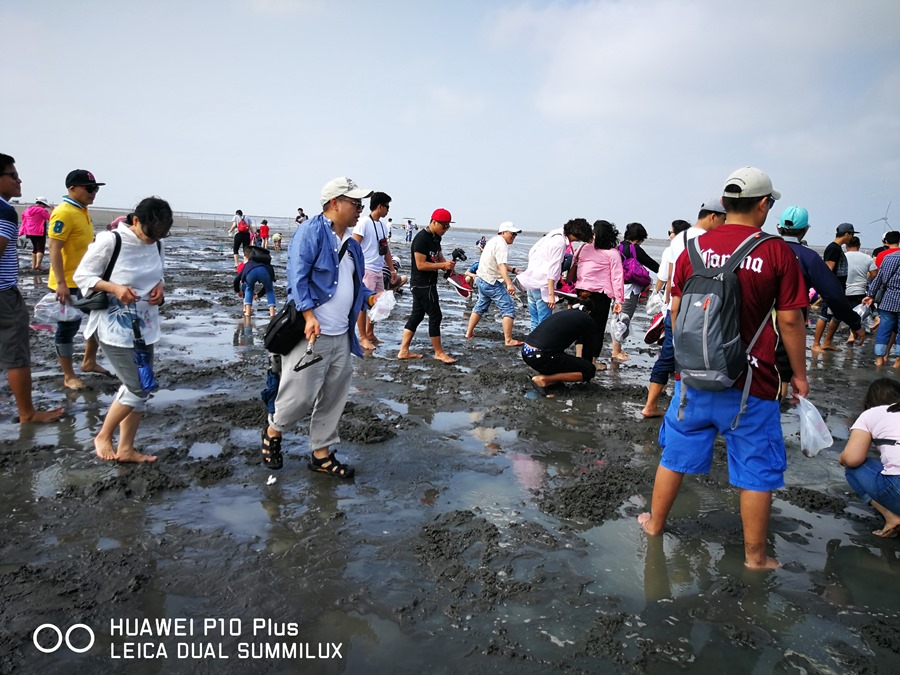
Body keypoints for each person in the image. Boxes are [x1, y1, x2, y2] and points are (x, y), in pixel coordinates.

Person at [638, 167, 809, 570]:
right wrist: (799, 374)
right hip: (750, 383)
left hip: (692, 379)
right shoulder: (775, 251)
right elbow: (789, 321)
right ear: (764, 204)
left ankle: (655, 525)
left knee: (674, 455)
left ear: (726, 204)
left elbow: (677, 312)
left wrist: (685, 363)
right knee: (756, 470)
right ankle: (755, 557)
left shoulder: (690, 250)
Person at [261, 177, 377, 477]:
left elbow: (353, 286)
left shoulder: (352, 246)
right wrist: (310, 315)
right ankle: (274, 432)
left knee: (334, 397)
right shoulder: (310, 232)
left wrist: (370, 298)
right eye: (355, 203)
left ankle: (321, 454)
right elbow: (296, 278)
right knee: (299, 396)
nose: (359, 209)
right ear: (335, 203)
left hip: (341, 334)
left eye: (360, 204)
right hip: (312, 333)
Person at [74, 196, 171, 462]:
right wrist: (115, 288)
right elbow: (82, 276)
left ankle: (126, 448)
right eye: (149, 234)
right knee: (137, 386)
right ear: (136, 220)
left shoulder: (157, 244)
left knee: (142, 387)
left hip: (145, 327)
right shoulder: (111, 241)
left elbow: (157, 276)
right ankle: (103, 435)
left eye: (159, 235)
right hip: (113, 327)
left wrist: (160, 290)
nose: (151, 240)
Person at [640, 202, 727, 418]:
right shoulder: (710, 241)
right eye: (724, 219)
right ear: (714, 216)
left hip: (676, 306)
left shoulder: (679, 238)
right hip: (699, 310)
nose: (724, 224)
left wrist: (669, 304)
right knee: (700, 358)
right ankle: (690, 406)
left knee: (669, 355)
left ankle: (651, 404)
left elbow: (671, 275)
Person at [0, 154, 63, 423]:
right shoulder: (3, 210)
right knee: (16, 355)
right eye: (13, 175)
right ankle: (27, 413)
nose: (19, 179)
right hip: (3, 293)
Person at [774, 206, 865, 391]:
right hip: (789, 324)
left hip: (752, 324)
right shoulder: (809, 257)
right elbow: (834, 294)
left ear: (778, 228)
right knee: (781, 378)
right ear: (806, 229)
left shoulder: (760, 248)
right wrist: (855, 324)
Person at [47, 168, 113, 390]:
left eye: (96, 189)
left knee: (98, 318)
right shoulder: (64, 212)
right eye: (90, 189)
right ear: (72, 188)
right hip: (68, 284)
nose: (93, 193)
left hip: (87, 281)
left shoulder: (82, 210)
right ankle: (68, 376)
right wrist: (62, 284)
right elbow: (54, 249)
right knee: (67, 327)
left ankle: (89, 361)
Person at [840, 378, 900, 538]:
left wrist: (843, 458)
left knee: (853, 469)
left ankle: (891, 517)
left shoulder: (871, 414)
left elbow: (853, 459)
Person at [397, 209, 457, 363]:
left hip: (429, 283)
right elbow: (421, 265)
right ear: (433, 222)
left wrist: (446, 266)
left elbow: (439, 256)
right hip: (422, 285)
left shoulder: (436, 238)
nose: (445, 229)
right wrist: (442, 264)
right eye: (443, 226)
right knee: (436, 315)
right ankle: (438, 352)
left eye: (448, 227)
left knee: (417, 315)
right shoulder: (421, 239)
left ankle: (403, 351)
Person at [515, 218, 594, 331]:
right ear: (578, 235)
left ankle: (531, 346)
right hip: (544, 285)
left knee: (534, 320)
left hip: (532, 281)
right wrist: (551, 295)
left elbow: (532, 251)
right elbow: (553, 270)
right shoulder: (560, 243)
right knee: (544, 323)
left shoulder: (554, 234)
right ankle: (539, 347)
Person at [571, 219, 624, 369]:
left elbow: (574, 263)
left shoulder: (583, 247)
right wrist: (619, 300)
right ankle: (593, 362)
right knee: (597, 329)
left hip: (581, 291)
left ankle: (578, 358)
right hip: (600, 294)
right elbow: (617, 277)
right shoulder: (612, 253)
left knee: (580, 325)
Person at [464, 222, 524, 346]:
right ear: (503, 233)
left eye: (515, 235)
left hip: (481, 279)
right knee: (508, 308)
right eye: (512, 234)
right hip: (491, 282)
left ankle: (468, 333)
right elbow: (501, 265)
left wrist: (513, 270)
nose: (514, 236)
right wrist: (509, 284)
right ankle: (508, 340)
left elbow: (498, 263)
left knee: (480, 306)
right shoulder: (502, 245)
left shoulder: (493, 241)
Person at [352, 191, 396, 350]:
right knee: (363, 303)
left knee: (379, 303)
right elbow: (354, 246)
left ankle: (370, 333)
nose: (388, 210)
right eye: (387, 207)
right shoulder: (363, 222)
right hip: (367, 269)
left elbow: (386, 249)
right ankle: (362, 337)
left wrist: (391, 269)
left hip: (378, 269)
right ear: (379, 207)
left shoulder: (382, 225)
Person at [522, 307, 598, 397]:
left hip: (526, 351)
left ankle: (549, 378)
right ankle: (543, 379)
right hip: (542, 356)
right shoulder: (588, 321)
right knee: (589, 370)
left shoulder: (567, 314)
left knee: (559, 361)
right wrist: (586, 373)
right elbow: (588, 351)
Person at [610, 222, 659, 362]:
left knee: (617, 317)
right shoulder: (634, 249)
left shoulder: (617, 247)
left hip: (616, 287)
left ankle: (617, 349)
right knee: (624, 318)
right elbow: (653, 265)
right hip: (629, 289)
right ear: (639, 237)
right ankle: (615, 352)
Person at [811, 222, 857, 352]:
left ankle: (827, 342)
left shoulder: (836, 248)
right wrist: (825, 288)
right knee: (825, 315)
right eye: (851, 234)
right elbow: (828, 269)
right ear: (846, 234)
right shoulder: (833, 248)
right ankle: (816, 344)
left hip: (838, 288)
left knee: (837, 315)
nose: (852, 238)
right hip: (832, 288)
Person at [863, 252, 900, 367]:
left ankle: (879, 359)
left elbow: (879, 278)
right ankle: (898, 361)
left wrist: (871, 294)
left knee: (883, 330)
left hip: (888, 300)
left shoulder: (889, 257)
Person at [845, 236, 878, 345]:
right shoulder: (867, 258)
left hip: (844, 290)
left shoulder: (843, 256)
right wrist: (866, 280)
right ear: (859, 246)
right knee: (857, 313)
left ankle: (852, 335)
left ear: (846, 246)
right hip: (860, 289)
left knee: (847, 314)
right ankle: (853, 334)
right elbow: (874, 274)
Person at [240, 246, 277, 318]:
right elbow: (271, 280)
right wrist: (258, 295)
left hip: (251, 271)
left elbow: (242, 275)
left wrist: (242, 281)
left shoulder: (250, 263)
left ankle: (247, 312)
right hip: (265, 271)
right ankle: (272, 313)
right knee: (270, 290)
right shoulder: (268, 264)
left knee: (249, 289)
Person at [19, 196, 51, 270]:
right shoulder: (42, 211)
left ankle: (34, 266)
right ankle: (38, 265)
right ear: (42, 204)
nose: (45, 207)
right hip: (39, 232)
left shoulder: (27, 210)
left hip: (29, 232)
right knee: (40, 248)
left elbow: (24, 220)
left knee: (35, 248)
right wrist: (52, 211)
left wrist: (22, 231)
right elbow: (51, 218)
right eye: (45, 205)